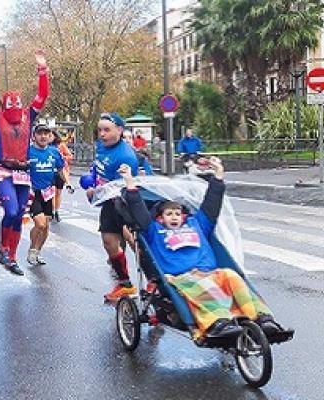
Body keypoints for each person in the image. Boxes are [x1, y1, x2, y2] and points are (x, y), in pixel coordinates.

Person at [119, 161, 287, 339]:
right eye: (169, 214)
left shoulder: (197, 224)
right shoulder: (154, 230)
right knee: (203, 286)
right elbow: (138, 209)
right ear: (160, 218)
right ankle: (217, 322)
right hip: (181, 276)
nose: (174, 216)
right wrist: (130, 182)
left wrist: (218, 176)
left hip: (211, 272)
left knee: (233, 277)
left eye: (177, 213)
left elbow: (211, 205)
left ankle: (263, 318)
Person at [0, 46, 50, 275]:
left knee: (19, 214)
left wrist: (42, 69)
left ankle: (12, 256)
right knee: (10, 211)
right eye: (10, 103)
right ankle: (3, 249)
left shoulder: (28, 116)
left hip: (23, 172)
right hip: (2, 169)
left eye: (17, 103)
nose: (14, 106)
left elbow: (42, 96)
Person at [86, 112, 139, 302]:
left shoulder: (126, 156)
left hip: (124, 200)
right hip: (109, 201)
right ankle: (125, 284)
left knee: (134, 241)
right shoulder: (102, 146)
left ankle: (154, 280)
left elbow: (119, 186)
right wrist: (92, 181)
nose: (102, 134)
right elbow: (98, 169)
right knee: (109, 241)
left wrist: (95, 193)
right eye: (99, 130)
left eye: (107, 130)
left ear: (120, 130)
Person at [26, 125, 71, 266]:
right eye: (40, 134)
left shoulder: (54, 152)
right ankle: (32, 250)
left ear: (50, 136)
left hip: (48, 193)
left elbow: (60, 169)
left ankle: (38, 252)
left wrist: (68, 182)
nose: (43, 136)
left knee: (46, 227)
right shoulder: (27, 151)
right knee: (39, 224)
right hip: (33, 193)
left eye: (46, 133)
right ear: (34, 136)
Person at [50, 131, 73, 222]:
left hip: (60, 171)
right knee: (52, 191)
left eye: (51, 135)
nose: (49, 137)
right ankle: (51, 211)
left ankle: (56, 211)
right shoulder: (45, 146)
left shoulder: (61, 145)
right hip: (50, 172)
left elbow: (70, 156)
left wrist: (62, 157)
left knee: (58, 192)